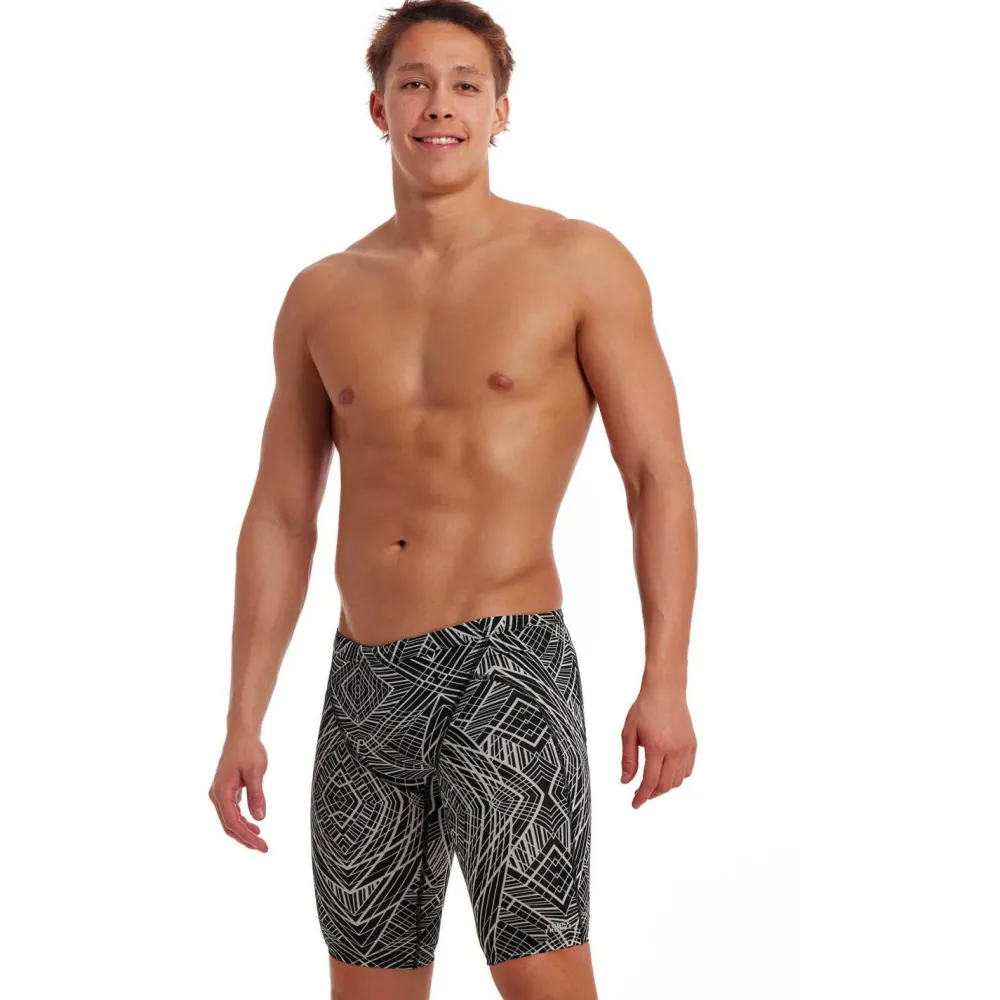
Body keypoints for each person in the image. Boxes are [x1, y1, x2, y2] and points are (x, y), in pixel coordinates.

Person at [208, 1, 698, 997]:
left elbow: (656, 476)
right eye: (415, 84)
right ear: (378, 107)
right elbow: (281, 515)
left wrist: (667, 679)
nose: (440, 105)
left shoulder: (577, 263)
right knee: (368, 985)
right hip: (363, 685)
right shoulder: (323, 292)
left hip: (504, 666)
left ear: (500, 110)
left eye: (465, 85)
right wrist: (241, 718)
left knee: (543, 978)